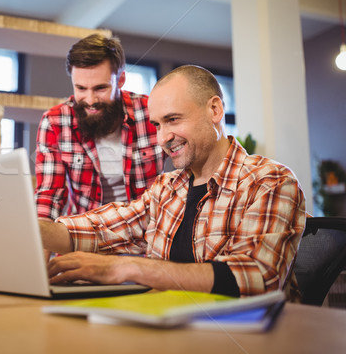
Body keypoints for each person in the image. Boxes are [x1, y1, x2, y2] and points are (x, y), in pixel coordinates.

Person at [39, 65, 306, 298]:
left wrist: (128, 268)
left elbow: (257, 278)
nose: (162, 138)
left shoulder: (269, 181)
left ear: (214, 110)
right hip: (172, 330)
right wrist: (31, 228)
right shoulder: (166, 189)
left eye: (173, 120)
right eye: (156, 125)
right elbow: (101, 230)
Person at [34, 34, 164, 224]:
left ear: (120, 80)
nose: (90, 100)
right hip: (83, 233)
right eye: (81, 88)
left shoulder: (151, 113)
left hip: (144, 237)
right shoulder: (55, 122)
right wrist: (38, 253)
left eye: (100, 88)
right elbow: (49, 198)